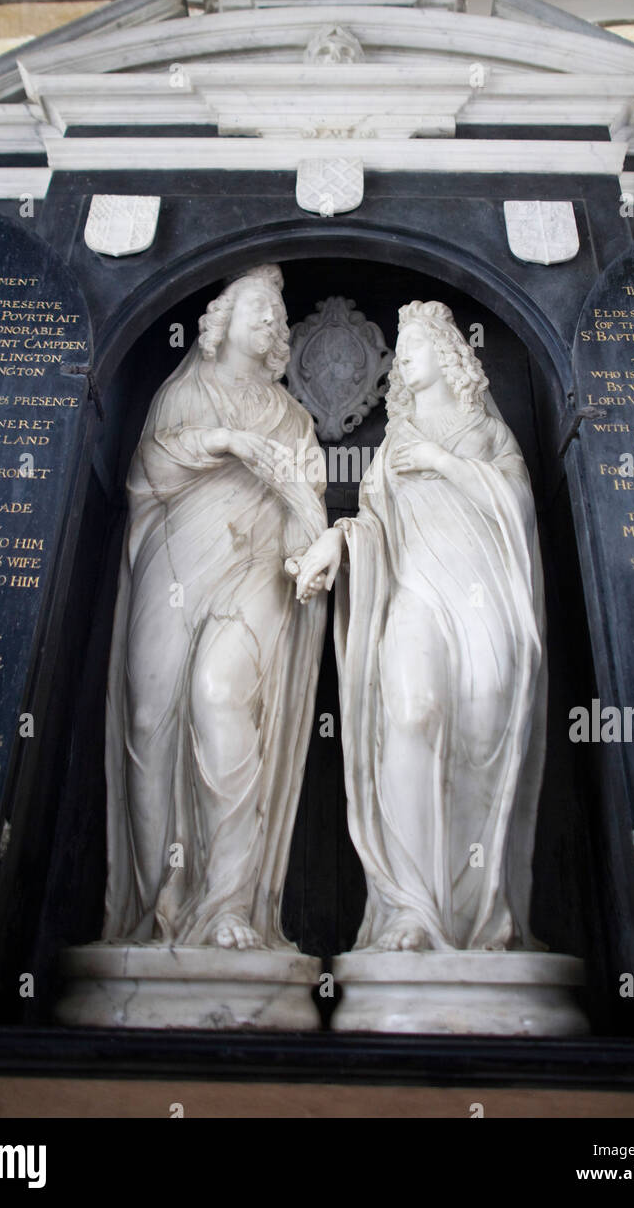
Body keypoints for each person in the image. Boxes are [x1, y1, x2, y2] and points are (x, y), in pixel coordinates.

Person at [295, 300, 548, 953]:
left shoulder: (485, 433)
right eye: (401, 344)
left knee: (482, 722)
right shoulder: (393, 444)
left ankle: (476, 913)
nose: (407, 353)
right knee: (410, 717)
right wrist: (339, 542)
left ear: (450, 352)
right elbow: (377, 525)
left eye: (419, 341)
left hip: (481, 598)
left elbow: (515, 504)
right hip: (413, 594)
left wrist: (445, 465)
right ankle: (409, 907)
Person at [103, 264, 327, 950]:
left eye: (278, 315)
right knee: (149, 717)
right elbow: (145, 473)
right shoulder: (186, 391)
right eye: (259, 307)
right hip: (174, 561)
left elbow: (307, 509)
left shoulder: (293, 417)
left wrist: (309, 538)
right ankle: (153, 908)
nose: (271, 322)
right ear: (221, 322)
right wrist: (224, 443)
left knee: (222, 699)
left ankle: (228, 904)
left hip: (254, 572)